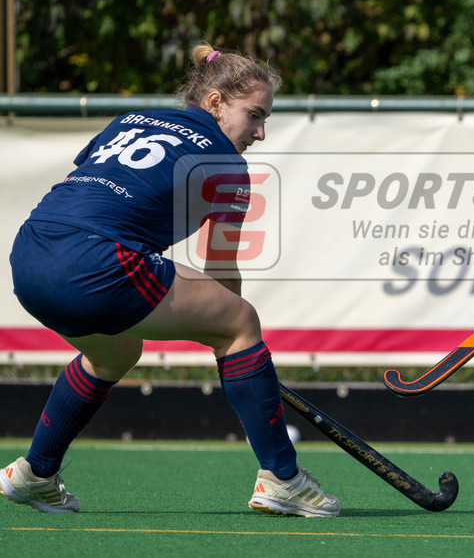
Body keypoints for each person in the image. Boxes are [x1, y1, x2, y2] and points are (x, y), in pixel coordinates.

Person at [0, 43, 339, 517]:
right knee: (240, 322)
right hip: (96, 260)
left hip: (31, 253)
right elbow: (220, 266)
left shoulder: (130, 121)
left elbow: (93, 184)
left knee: (116, 350)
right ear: (216, 102)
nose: (260, 133)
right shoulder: (226, 163)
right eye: (255, 115)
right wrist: (240, 347)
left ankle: (35, 473)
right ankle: (282, 478)